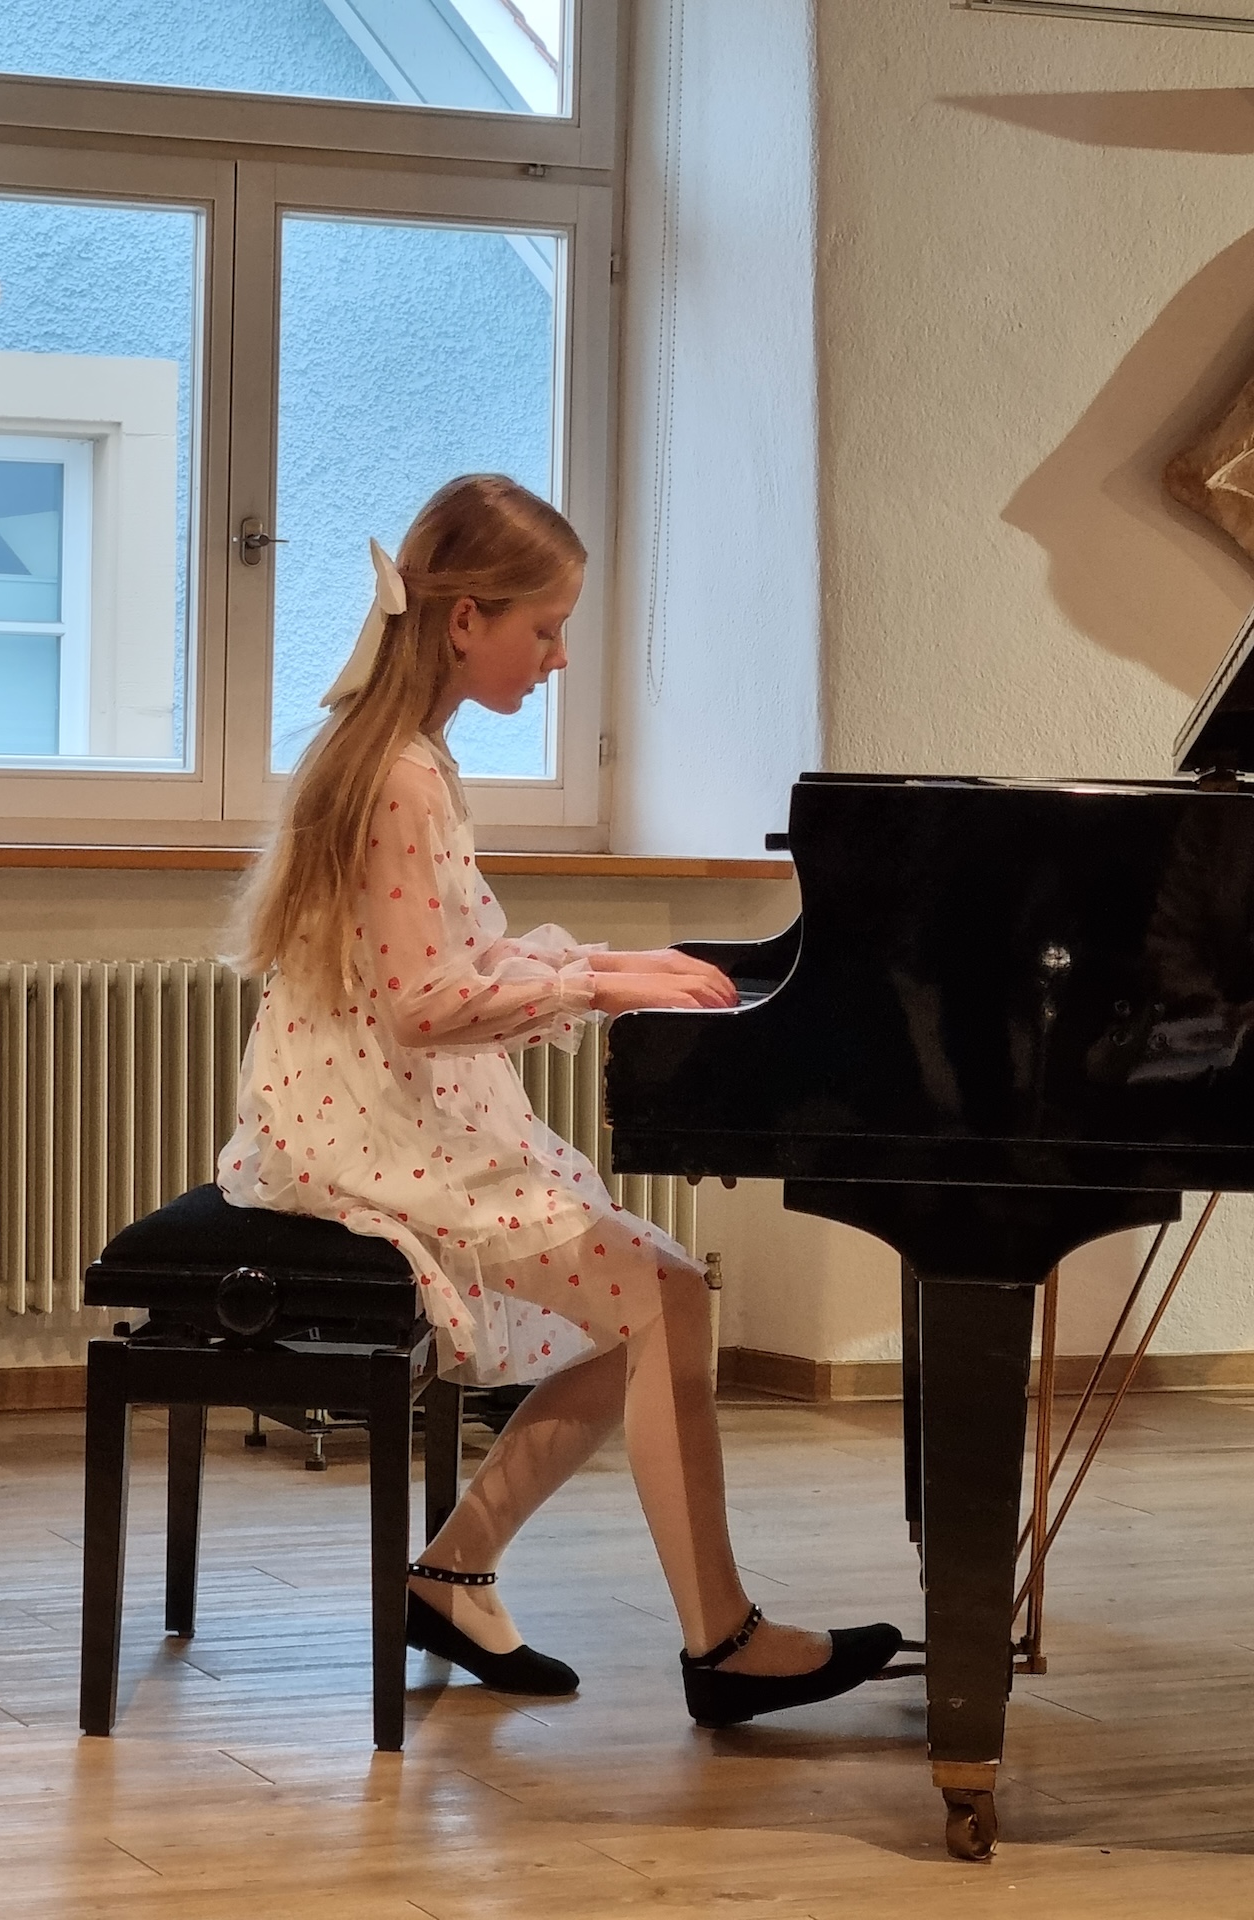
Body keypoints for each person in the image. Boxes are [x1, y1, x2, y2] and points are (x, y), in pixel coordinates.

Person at [219, 474, 902, 1727]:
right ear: (465, 619)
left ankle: (456, 1574)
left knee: (653, 1305)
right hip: (368, 1124)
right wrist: (595, 988)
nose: (559, 657)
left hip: (364, 1103)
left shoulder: (406, 755)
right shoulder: (404, 777)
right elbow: (427, 1005)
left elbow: (456, 956)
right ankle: (722, 1642)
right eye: (545, 629)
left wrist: (623, 965)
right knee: (664, 1295)